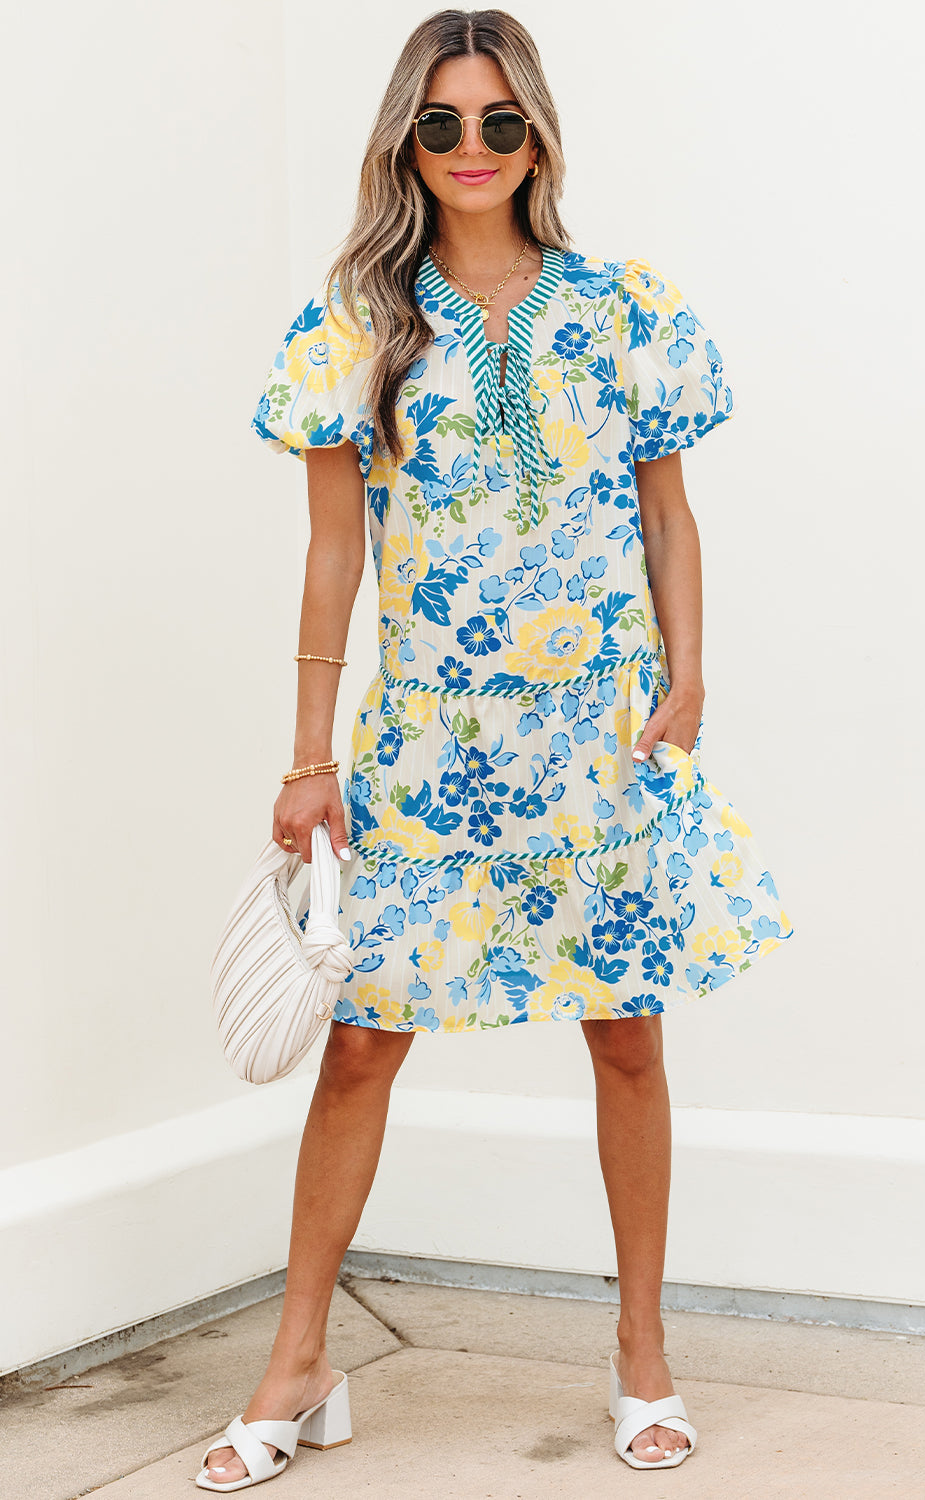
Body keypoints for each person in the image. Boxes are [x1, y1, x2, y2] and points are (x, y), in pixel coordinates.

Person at [197, 6, 794, 1488]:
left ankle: (642, 1356)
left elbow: (667, 515)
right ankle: (299, 1361)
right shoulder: (357, 322)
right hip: (427, 749)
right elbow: (332, 553)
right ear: (407, 141)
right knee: (361, 1045)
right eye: (442, 123)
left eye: (498, 121)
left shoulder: (627, 308)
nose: (471, 147)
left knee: (627, 1034)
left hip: (601, 742)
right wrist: (308, 753)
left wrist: (690, 679)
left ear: (537, 136)